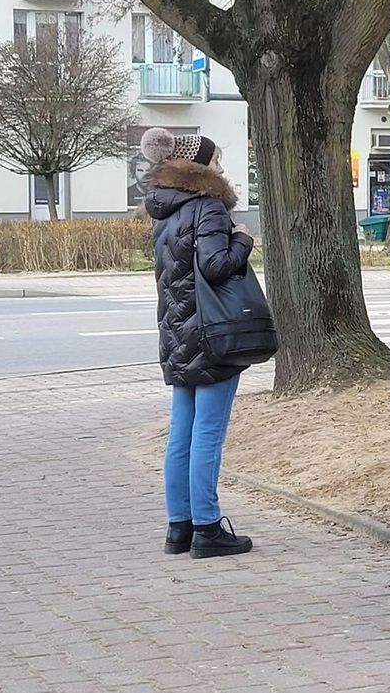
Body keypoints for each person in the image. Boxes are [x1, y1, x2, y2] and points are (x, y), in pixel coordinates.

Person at [141, 127, 256, 559]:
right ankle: (207, 528)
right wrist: (242, 239)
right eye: (216, 160)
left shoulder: (165, 210)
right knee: (207, 432)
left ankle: (179, 528)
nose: (221, 168)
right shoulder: (207, 206)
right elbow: (216, 266)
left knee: (182, 433)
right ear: (199, 166)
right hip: (211, 333)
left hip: (177, 333)